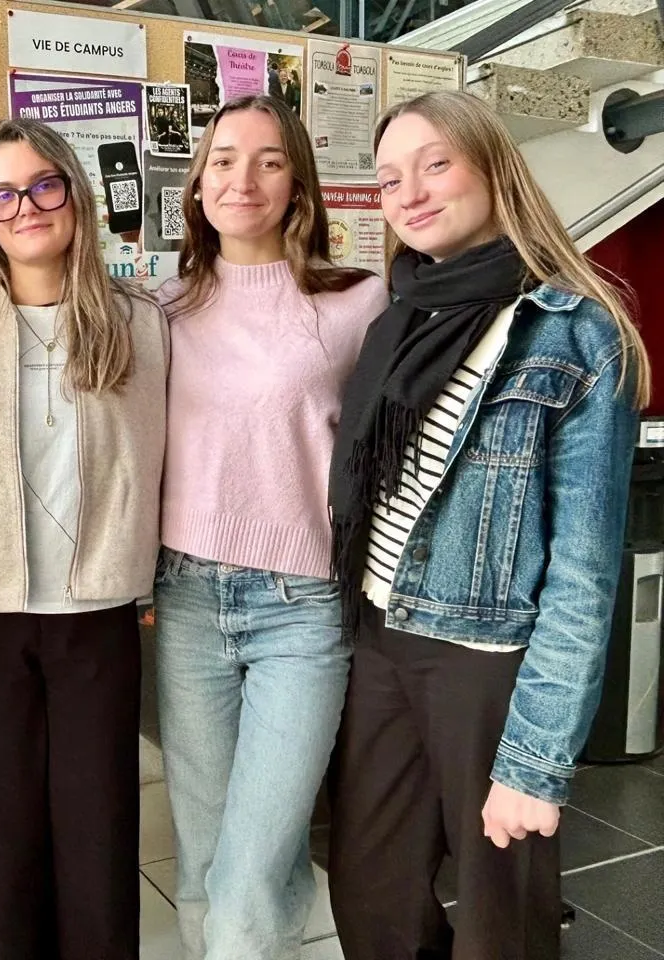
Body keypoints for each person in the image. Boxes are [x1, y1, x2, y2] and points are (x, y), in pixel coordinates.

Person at [326, 90, 648, 960]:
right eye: (389, 179)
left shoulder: (574, 332)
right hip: (381, 636)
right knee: (373, 898)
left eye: (435, 164)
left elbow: (584, 574)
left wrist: (534, 763)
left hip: (486, 661)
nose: (410, 193)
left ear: (494, 168)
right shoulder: (399, 318)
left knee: (500, 919)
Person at [0, 117, 168, 960]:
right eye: (3, 195)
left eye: (43, 185)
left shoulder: (142, 327)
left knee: (100, 843)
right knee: (1, 848)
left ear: (75, 195)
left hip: (97, 614)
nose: (25, 207)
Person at [153, 94, 389, 960]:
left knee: (251, 870)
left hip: (303, 606)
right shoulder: (162, 307)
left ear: (298, 185)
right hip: (186, 598)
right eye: (222, 160)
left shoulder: (358, 301)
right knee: (207, 855)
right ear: (197, 184)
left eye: (268, 160)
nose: (241, 179)